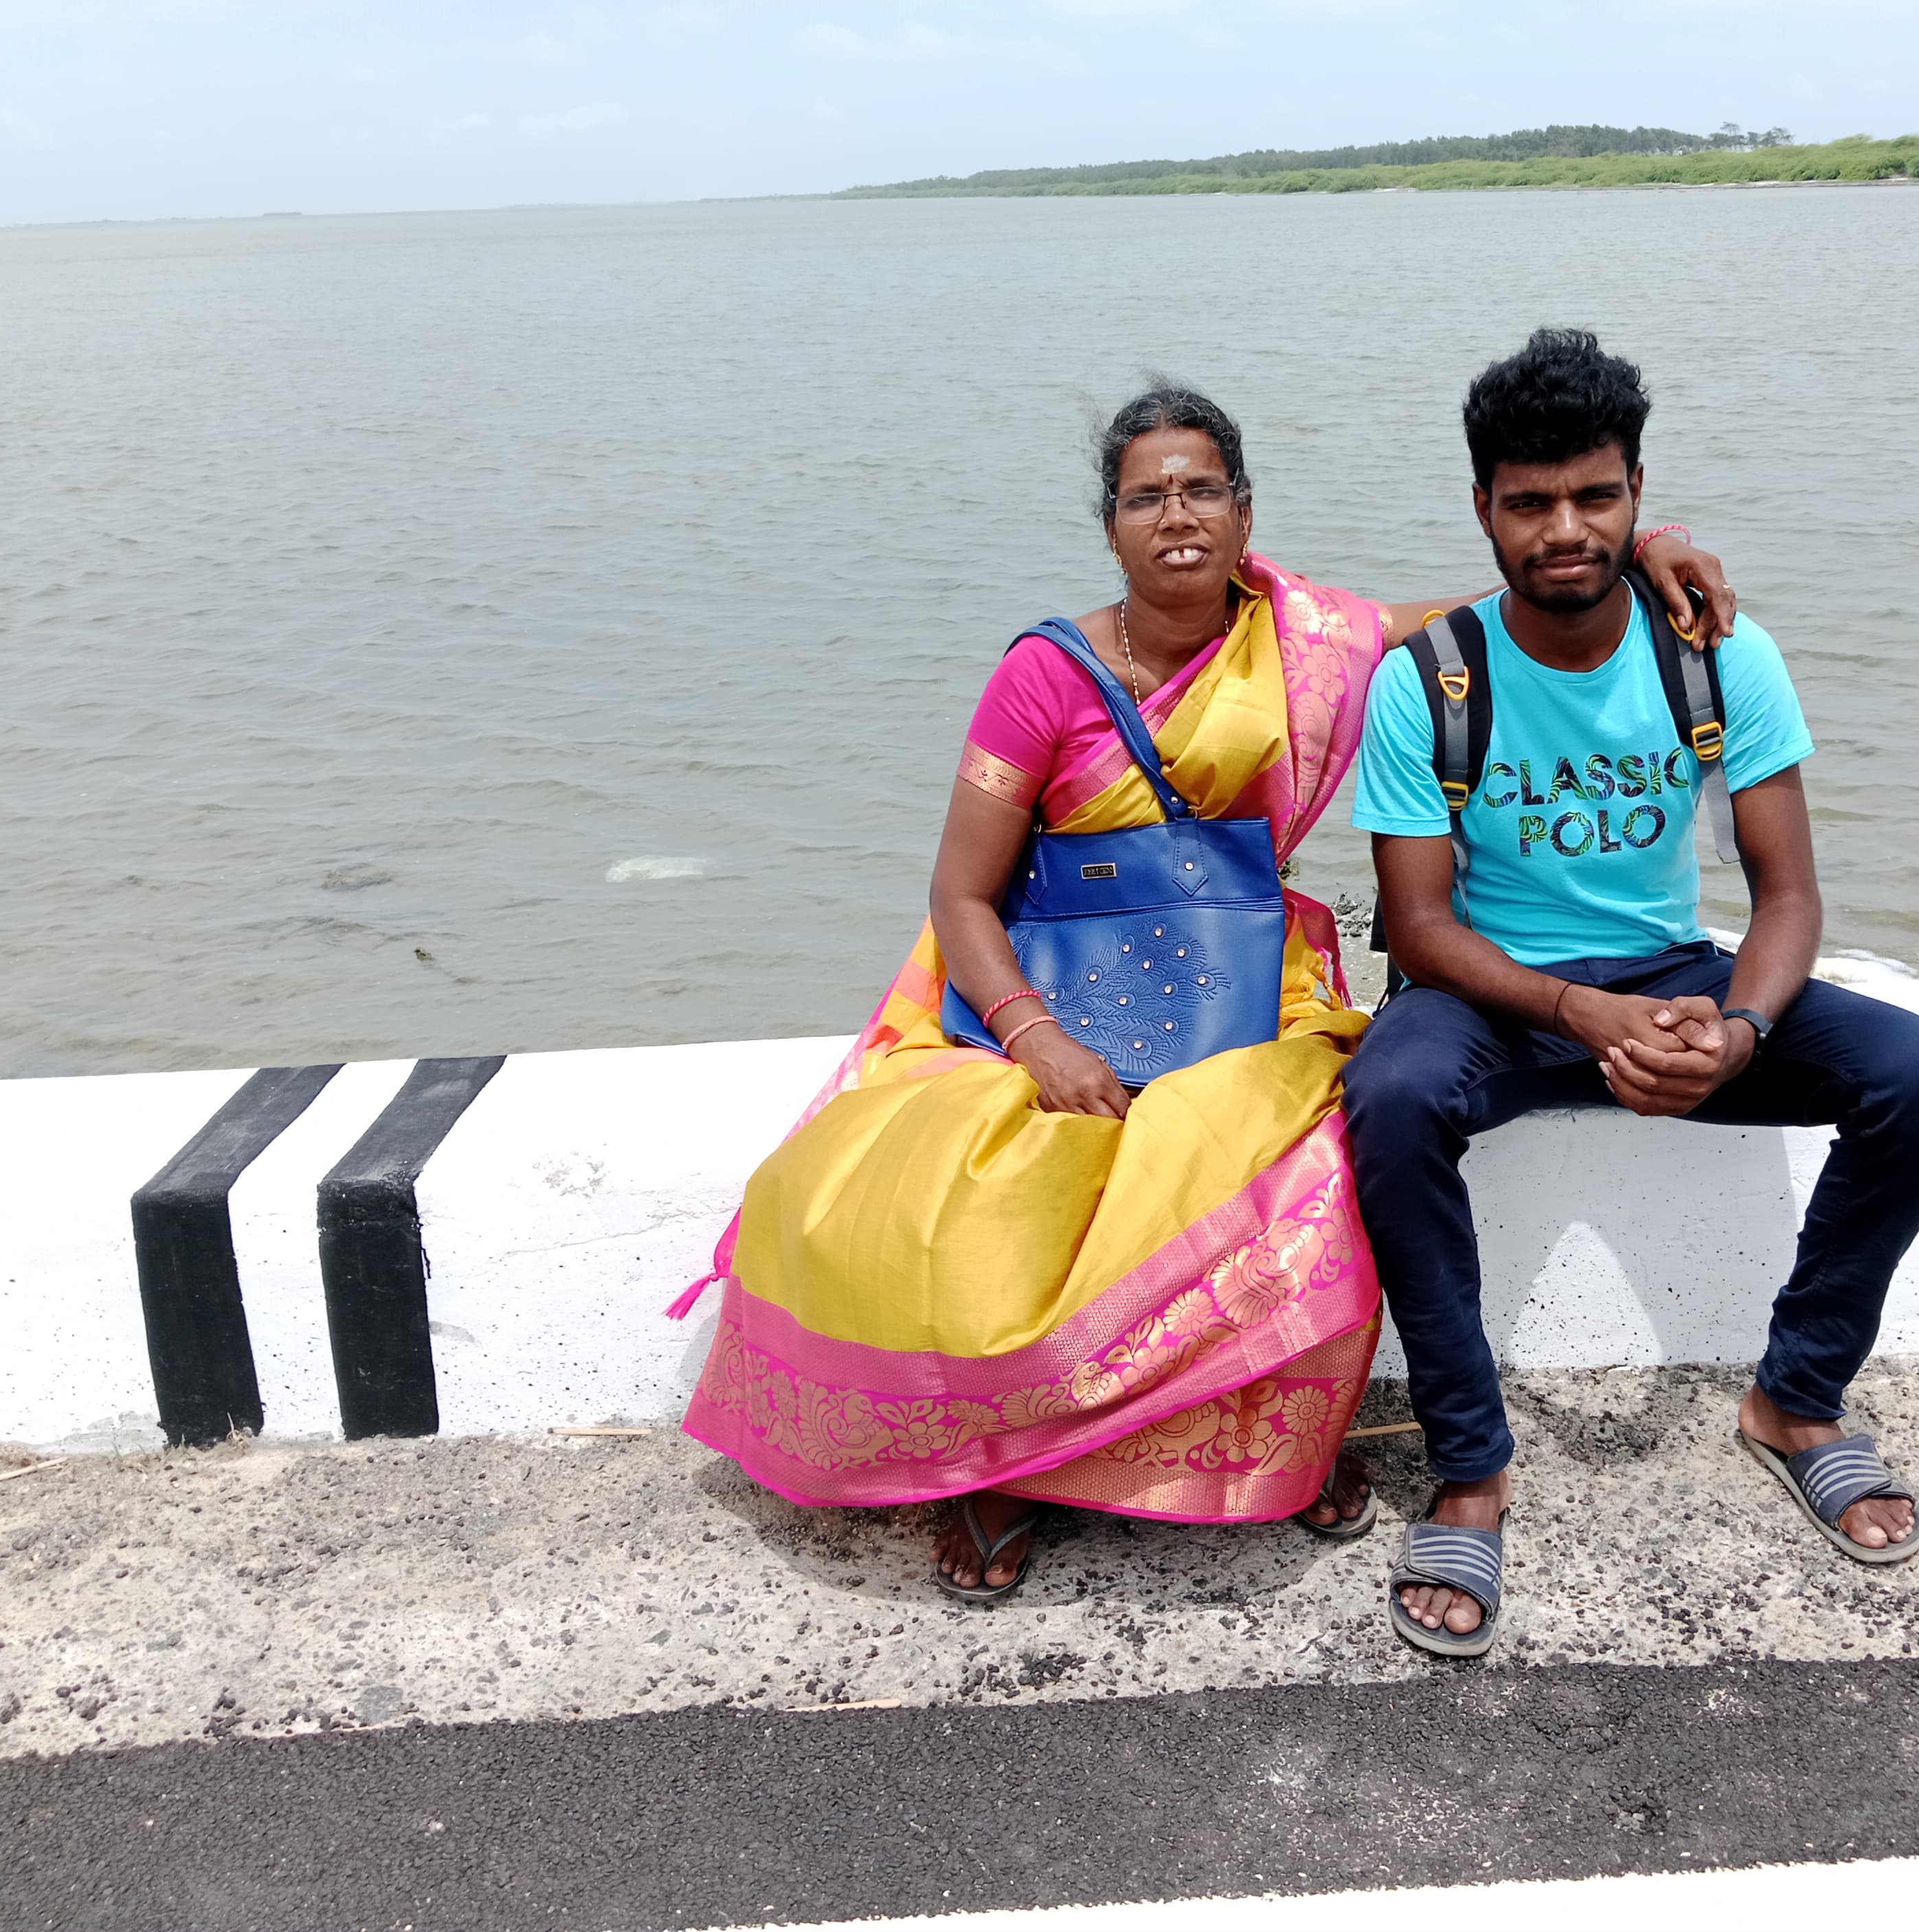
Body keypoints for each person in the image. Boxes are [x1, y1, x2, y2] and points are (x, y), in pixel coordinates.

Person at [673, 379, 1738, 1601]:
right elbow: (960, 897)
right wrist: (1033, 1039)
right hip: (1040, 982)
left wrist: (1645, 545)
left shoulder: (1306, 641)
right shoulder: (1046, 675)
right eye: (1145, 495)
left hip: (1246, 981)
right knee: (962, 1177)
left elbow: (1492, 608)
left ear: (1244, 513)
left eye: (1201, 489)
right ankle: (998, 1466)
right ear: (1111, 522)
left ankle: (1264, 1450)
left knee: (1313, 1157)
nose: (1175, 513)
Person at [1344, 329, 1919, 1657]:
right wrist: (1581, 1016)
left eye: (1597, 497)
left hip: (1677, 977)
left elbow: (1788, 896)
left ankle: (1799, 1402)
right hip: (1499, 995)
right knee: (1390, 1097)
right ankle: (1469, 1470)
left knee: (1915, 1077)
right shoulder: (1431, 679)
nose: (1565, 530)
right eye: (1531, 502)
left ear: (1636, 496)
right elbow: (1416, 921)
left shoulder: (1719, 654)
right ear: (1483, 511)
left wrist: (1738, 1030)